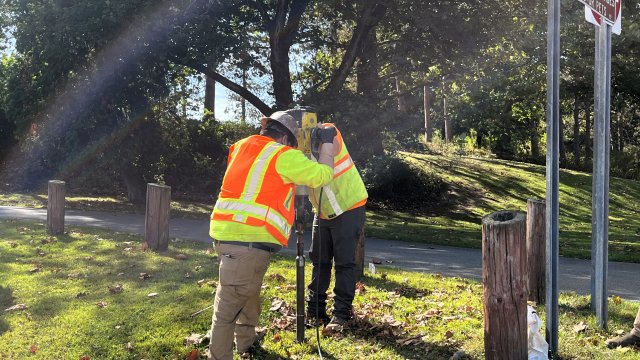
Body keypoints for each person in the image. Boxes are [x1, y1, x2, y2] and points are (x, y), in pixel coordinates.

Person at [208, 110, 337, 360]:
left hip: (227, 235)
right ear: (287, 139)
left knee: (248, 295)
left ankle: (246, 343)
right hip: (248, 242)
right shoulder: (282, 154)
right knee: (226, 312)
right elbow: (322, 176)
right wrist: (327, 145)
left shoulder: (241, 147)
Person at [306, 122, 368, 331]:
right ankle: (315, 311)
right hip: (323, 211)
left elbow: (327, 162)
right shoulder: (296, 150)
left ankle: (341, 315)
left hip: (348, 205)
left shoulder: (328, 132)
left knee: (343, 263)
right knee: (319, 260)